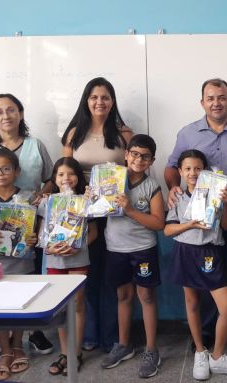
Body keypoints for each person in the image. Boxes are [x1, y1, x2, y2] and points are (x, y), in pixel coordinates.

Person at [164, 78, 227, 351]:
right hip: (199, 218)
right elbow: (172, 168)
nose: (216, 102)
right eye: (210, 98)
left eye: (222, 97)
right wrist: (172, 188)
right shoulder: (188, 133)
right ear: (202, 102)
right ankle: (203, 333)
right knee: (202, 281)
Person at [0, 93, 55, 354]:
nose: (6, 116)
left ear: (21, 113)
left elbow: (50, 178)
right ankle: (6, 342)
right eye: (0, 112)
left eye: (11, 110)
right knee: (1, 284)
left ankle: (34, 330)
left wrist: (44, 193)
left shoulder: (35, 145)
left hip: (31, 224)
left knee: (31, 278)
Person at [164, 150, 227, 380]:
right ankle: (200, 351)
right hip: (185, 251)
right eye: (188, 169)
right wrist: (189, 224)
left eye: (198, 168)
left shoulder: (215, 194)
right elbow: (168, 229)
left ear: (205, 171)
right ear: (180, 171)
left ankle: (217, 356)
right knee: (192, 303)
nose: (193, 173)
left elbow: (226, 226)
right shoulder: (177, 196)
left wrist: (223, 204)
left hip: (211, 252)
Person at [62, 77, 133, 352]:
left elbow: (137, 171)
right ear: (86, 100)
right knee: (85, 272)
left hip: (115, 214)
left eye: (105, 97)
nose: (99, 102)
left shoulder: (123, 133)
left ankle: (111, 336)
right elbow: (65, 171)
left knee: (111, 275)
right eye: (94, 97)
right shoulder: (73, 134)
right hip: (83, 213)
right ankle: (88, 335)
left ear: (112, 101)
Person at [100, 135, 164, 378]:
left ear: (152, 160)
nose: (138, 159)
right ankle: (124, 344)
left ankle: (151, 349)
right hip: (115, 248)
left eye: (145, 156)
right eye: (134, 154)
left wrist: (130, 210)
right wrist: (90, 198)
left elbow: (158, 223)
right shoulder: (109, 180)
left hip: (143, 249)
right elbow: (95, 208)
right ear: (126, 154)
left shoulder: (152, 186)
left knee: (146, 295)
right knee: (123, 295)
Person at [0, 149, 37, 380]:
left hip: (22, 262)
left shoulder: (29, 196)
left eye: (6, 168)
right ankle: (4, 351)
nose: (1, 173)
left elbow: (39, 228)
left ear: (16, 171)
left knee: (20, 306)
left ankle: (18, 346)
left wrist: (34, 237)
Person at [41, 157, 98, 376]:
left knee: (77, 305)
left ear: (78, 177)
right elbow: (40, 234)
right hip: (55, 261)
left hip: (78, 260)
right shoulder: (48, 202)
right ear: (54, 179)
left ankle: (75, 353)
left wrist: (77, 246)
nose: (66, 178)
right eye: (61, 174)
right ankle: (64, 353)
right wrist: (51, 248)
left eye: (71, 174)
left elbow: (93, 233)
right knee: (61, 308)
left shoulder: (85, 202)